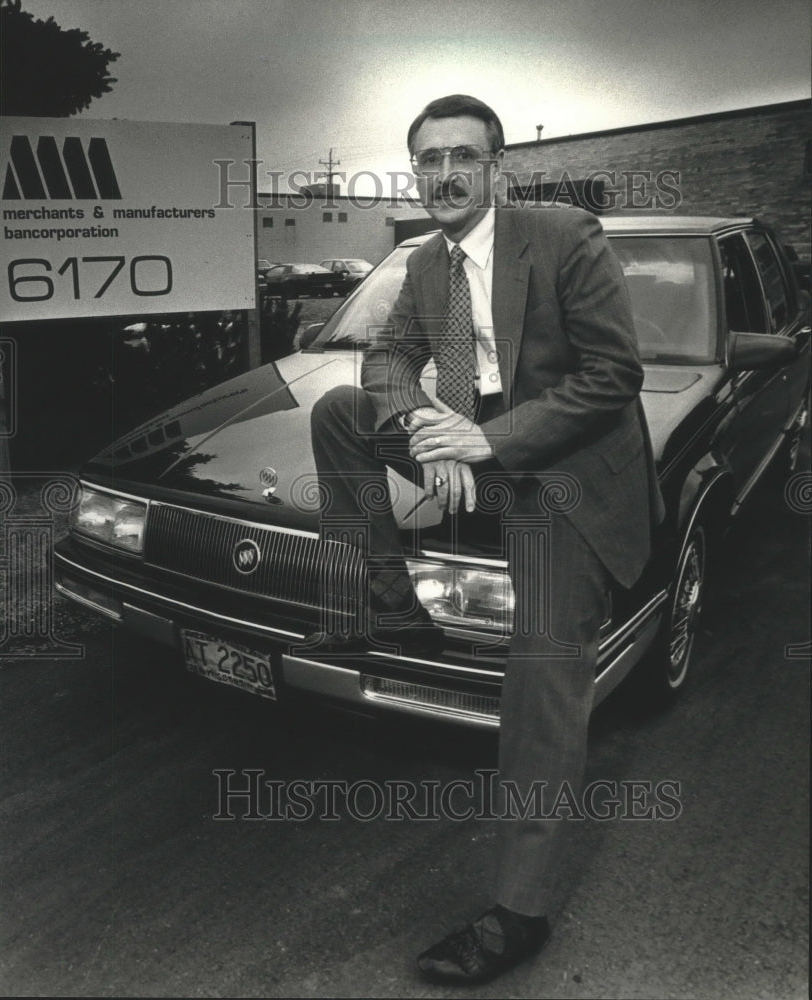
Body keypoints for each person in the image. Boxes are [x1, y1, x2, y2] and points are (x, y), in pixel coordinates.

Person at [304, 94, 663, 985]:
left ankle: (519, 913)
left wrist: (487, 442)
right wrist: (429, 425)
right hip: (472, 442)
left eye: (464, 156)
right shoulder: (426, 264)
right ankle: (390, 611)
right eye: (428, 160)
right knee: (341, 414)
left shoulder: (562, 234)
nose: (446, 174)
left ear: (497, 167)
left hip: (564, 471)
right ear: (415, 172)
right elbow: (387, 360)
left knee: (541, 676)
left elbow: (614, 375)